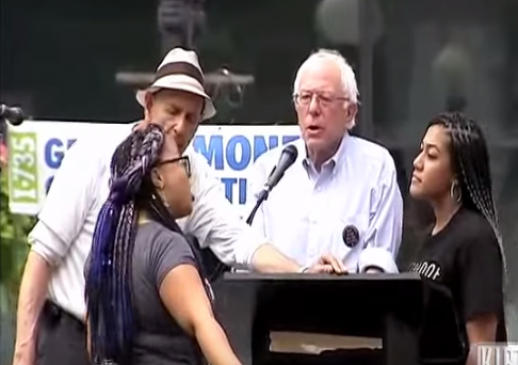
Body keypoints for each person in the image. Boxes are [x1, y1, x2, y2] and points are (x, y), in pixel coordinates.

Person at [13, 47, 345, 365]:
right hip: (71, 334)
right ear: (149, 105)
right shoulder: (94, 155)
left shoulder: (192, 173)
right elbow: (42, 256)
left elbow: (239, 240)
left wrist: (300, 271)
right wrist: (22, 354)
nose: (181, 126)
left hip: (135, 345)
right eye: (172, 111)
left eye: (191, 118)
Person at [85, 124, 241, 365]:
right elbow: (205, 327)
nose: (188, 175)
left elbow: (94, 342)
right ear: (158, 178)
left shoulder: (103, 249)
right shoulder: (166, 248)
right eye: (182, 163)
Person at [247, 49, 403, 273]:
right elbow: (250, 256)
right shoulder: (268, 169)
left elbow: (380, 264)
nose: (312, 109)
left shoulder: (376, 168)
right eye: (305, 98)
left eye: (325, 99)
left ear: (349, 113)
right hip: (277, 305)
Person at [407, 112, 506, 365]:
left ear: (456, 174)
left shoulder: (476, 239)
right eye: (421, 152)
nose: (417, 163)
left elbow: (483, 351)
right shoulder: (427, 237)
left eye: (431, 155)